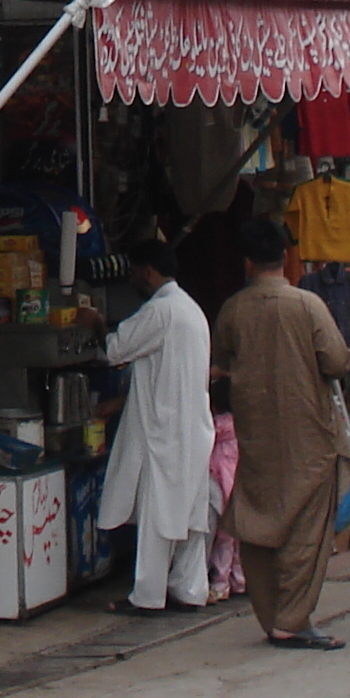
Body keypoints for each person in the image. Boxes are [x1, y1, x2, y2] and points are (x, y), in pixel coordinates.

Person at [211, 215, 350, 651]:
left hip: (253, 432)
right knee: (304, 529)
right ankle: (292, 619)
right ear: (285, 257)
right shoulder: (306, 305)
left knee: (255, 521)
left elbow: (221, 361)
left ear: (248, 262)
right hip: (307, 433)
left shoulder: (233, 308)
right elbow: (337, 362)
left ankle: (271, 615)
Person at [95, 235, 216, 617]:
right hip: (192, 427)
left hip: (166, 432)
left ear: (146, 271)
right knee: (190, 515)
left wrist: (96, 323)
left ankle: (147, 595)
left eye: (133, 270)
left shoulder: (160, 310)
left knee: (158, 513)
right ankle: (190, 588)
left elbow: (116, 349)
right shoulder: (191, 310)